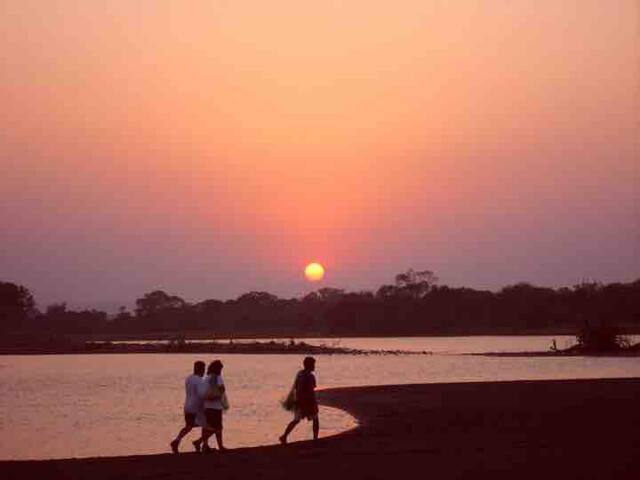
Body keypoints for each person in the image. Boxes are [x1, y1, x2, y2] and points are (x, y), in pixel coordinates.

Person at [280, 356, 319, 444]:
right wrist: (312, 402)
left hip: (299, 401)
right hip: (308, 401)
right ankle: (315, 439)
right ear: (309, 365)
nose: (314, 366)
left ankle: (284, 436)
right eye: (313, 364)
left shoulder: (300, 373)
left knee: (296, 420)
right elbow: (311, 390)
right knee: (315, 419)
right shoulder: (310, 376)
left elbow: (297, 388)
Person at [170, 361, 206, 453]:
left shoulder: (188, 378)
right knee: (208, 424)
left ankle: (177, 440)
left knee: (188, 426)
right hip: (196, 407)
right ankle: (202, 443)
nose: (204, 372)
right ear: (200, 369)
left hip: (187, 406)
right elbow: (201, 394)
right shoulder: (199, 380)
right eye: (203, 369)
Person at [198, 360, 228, 452]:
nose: (221, 371)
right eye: (220, 369)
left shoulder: (206, 378)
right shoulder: (218, 377)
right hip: (216, 406)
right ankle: (200, 442)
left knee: (207, 427)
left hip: (206, 405)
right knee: (218, 428)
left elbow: (202, 391)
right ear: (218, 369)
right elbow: (222, 389)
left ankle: (205, 445)